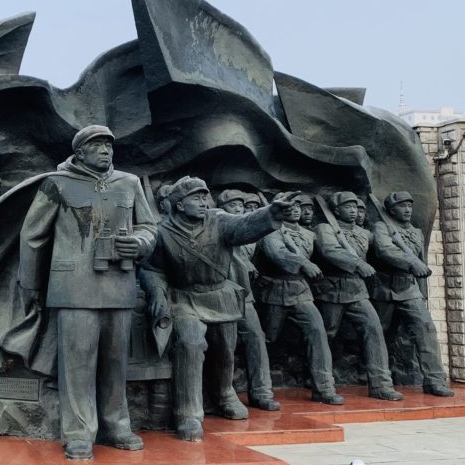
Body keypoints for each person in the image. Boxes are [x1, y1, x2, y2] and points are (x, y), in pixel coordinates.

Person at [18, 124, 157, 460]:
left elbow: (149, 226)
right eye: (97, 145)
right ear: (79, 152)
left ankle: (117, 426)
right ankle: (79, 433)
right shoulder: (57, 184)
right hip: (73, 288)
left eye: (109, 144)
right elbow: (33, 237)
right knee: (77, 364)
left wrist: (139, 243)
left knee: (115, 362)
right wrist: (32, 286)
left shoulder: (130, 182)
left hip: (118, 285)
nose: (106, 150)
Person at [145, 178, 291, 441]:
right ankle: (188, 414)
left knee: (225, 347)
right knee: (189, 344)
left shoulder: (219, 220)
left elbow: (244, 225)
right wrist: (157, 291)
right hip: (184, 297)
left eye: (205, 197)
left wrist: (271, 213)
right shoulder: (162, 232)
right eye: (196, 198)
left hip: (218, 295)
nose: (204, 203)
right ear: (179, 205)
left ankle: (225, 393)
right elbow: (152, 268)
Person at [254, 194, 345, 405]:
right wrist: (303, 263)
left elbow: (327, 254)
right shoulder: (270, 230)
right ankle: (258, 387)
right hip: (275, 291)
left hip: (301, 291)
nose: (295, 209)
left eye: (299, 206)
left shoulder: (308, 234)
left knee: (317, 332)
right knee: (267, 339)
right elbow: (276, 253)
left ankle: (323, 387)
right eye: (290, 206)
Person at [313, 192, 402, 400]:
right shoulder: (325, 229)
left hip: (358, 291)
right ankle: (321, 384)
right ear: (336, 210)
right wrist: (357, 264)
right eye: (347, 207)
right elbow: (330, 251)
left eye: (355, 207)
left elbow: (383, 250)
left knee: (374, 329)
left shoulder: (364, 234)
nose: (353, 211)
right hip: (332, 291)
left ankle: (381, 384)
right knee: (326, 334)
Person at [370, 191, 453, 396]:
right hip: (385, 290)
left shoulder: (416, 232)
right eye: (401, 206)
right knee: (379, 335)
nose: (407, 210)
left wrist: (422, 292)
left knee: (426, 329)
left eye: (409, 206)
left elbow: (421, 262)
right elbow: (385, 250)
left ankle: (434, 380)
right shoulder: (381, 227)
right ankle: (380, 383)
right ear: (391, 210)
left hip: (409, 289)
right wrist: (410, 263)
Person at [218, 189, 280, 412]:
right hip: (221, 295)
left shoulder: (250, 230)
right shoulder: (218, 224)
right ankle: (224, 393)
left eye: (241, 206)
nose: (238, 209)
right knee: (225, 345)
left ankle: (262, 391)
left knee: (256, 337)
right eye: (232, 205)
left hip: (244, 295)